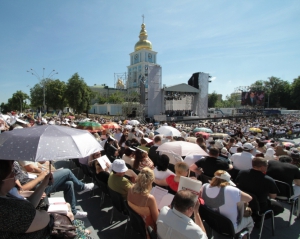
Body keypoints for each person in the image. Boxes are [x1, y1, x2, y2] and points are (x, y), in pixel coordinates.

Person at [13, 161, 94, 218]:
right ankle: (81, 187)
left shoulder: (13, 163)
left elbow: (27, 175)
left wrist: (40, 175)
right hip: (36, 189)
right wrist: (40, 178)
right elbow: (21, 190)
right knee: (67, 172)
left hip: (35, 181)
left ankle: (73, 211)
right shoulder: (9, 167)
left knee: (69, 184)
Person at [0, 160, 51, 238]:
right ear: (3, 180)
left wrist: (44, 184)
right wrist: (45, 212)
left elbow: (29, 206)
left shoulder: (7, 196)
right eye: (12, 173)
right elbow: (43, 218)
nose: (15, 175)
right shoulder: (7, 208)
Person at [127, 167, 159, 232]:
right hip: (148, 228)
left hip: (136, 222)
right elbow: (157, 220)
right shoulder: (149, 198)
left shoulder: (130, 188)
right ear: (150, 182)